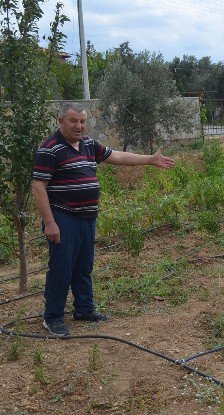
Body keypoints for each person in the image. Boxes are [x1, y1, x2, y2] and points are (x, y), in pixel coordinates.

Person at [32, 102, 174, 336]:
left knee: (83, 266)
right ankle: (53, 317)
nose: (79, 126)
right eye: (73, 121)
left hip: (87, 217)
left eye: (82, 121)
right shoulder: (50, 148)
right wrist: (49, 222)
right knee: (61, 268)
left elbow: (116, 156)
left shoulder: (88, 145)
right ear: (60, 121)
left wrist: (149, 159)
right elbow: (38, 186)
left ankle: (84, 309)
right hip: (63, 217)